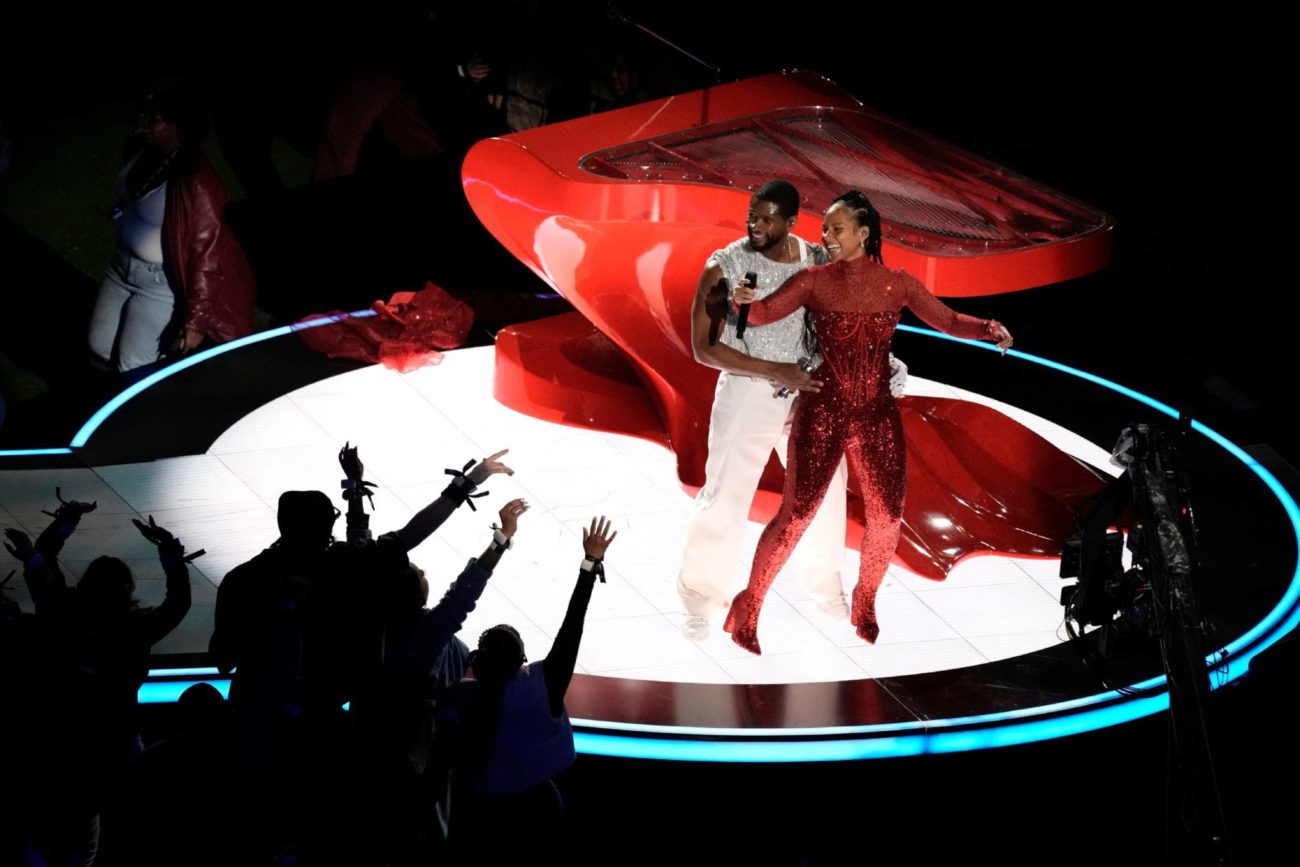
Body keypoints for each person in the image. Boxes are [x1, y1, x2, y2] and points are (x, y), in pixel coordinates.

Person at [726, 190, 1014, 654]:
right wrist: (743, 301)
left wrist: (986, 328)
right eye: (825, 229)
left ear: (863, 233)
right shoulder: (813, 280)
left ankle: (865, 599)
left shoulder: (896, 283)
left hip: (877, 414)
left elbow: (946, 319)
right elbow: (762, 314)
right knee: (797, 515)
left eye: (836, 229)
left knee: (887, 518)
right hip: (823, 410)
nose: (827, 236)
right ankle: (750, 606)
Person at [678, 179, 906, 640]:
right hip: (749, 389)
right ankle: (701, 599)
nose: (755, 225)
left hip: (809, 386)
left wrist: (885, 364)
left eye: (767, 218)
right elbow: (703, 350)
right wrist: (775, 370)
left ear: (790, 221)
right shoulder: (724, 267)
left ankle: (825, 587)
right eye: (752, 216)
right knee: (726, 494)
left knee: (825, 491)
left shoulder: (815, 259)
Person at [440, 516, 618, 863]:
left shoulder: (459, 695)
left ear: (477, 660)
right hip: (535, 804)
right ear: (522, 659)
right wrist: (589, 565)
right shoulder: (542, 683)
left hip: (482, 805)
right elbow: (572, 627)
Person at [88, 80, 255, 374]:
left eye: (155, 119)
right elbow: (135, 197)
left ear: (180, 126)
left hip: (158, 283)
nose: (146, 124)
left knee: (133, 365)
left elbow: (208, 251)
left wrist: (197, 319)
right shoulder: (143, 152)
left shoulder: (199, 181)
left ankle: (144, 412)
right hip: (120, 269)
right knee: (99, 345)